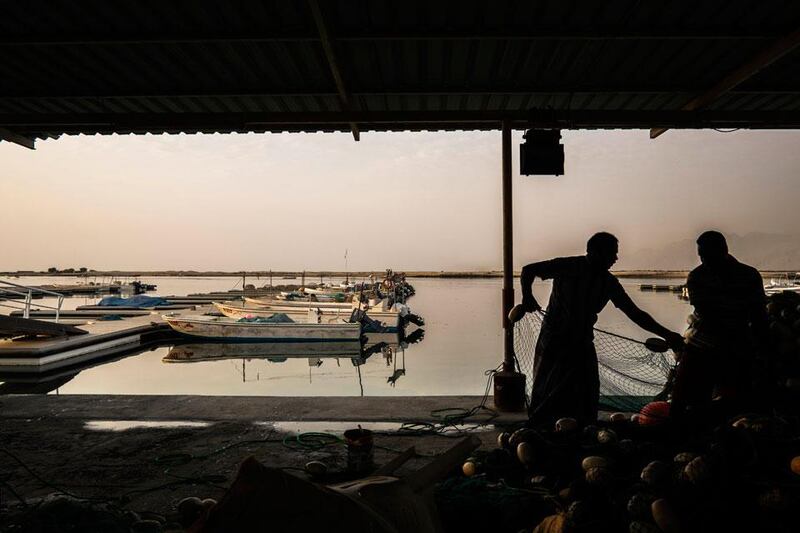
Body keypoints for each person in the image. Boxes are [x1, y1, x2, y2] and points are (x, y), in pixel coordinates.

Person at [519, 232, 684, 426]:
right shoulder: (568, 266)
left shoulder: (609, 282)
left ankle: (580, 427)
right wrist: (527, 296)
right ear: (595, 252)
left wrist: (667, 334)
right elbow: (528, 270)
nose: (615, 258)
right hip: (555, 338)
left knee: (587, 388)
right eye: (612, 253)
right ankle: (543, 426)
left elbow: (634, 313)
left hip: (581, 340)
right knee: (549, 386)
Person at [670, 231, 768, 419]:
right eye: (701, 255)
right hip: (702, 344)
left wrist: (760, 348)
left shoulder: (749, 275)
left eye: (706, 255)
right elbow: (708, 314)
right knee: (682, 400)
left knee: (732, 405)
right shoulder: (697, 277)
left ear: (723, 251)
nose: (703, 259)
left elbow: (759, 316)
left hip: (734, 347)